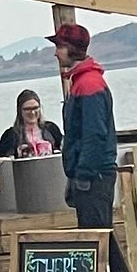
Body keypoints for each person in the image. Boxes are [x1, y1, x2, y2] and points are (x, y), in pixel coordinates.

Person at [48, 24, 118, 228]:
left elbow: (94, 134)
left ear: (72, 49)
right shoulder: (82, 81)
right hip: (92, 175)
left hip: (94, 178)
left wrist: (83, 175)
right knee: (100, 240)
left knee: (95, 240)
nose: (55, 52)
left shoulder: (88, 84)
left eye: (60, 46)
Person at [0, 89, 63, 158]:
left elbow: (64, 147)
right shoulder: (11, 134)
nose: (32, 112)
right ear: (19, 111)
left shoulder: (51, 129)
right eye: (27, 109)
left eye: (35, 108)